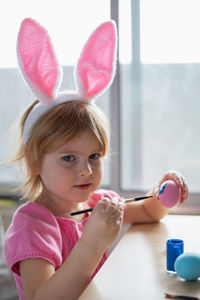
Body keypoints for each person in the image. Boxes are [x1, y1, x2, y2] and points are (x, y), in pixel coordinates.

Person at [4, 18, 188, 300]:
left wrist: (163, 193)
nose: (86, 170)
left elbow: (148, 213)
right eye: (68, 158)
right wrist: (92, 243)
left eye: (94, 155)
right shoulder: (32, 225)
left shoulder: (97, 204)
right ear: (34, 161)